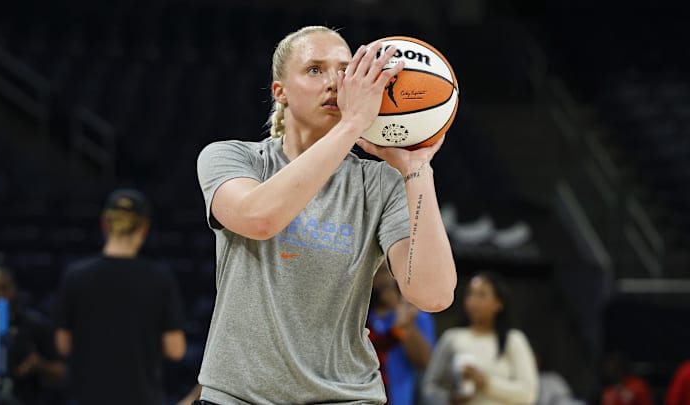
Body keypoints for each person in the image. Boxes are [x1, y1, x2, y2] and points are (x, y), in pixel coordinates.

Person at [195, 25, 457, 404]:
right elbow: (260, 220)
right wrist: (352, 125)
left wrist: (417, 168)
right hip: (235, 397)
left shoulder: (378, 183)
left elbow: (433, 295)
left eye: (344, 69)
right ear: (279, 92)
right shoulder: (233, 158)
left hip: (343, 396)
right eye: (315, 70)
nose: (335, 82)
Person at [55, 188, 186, 405]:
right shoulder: (159, 279)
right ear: (144, 227)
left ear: (105, 223)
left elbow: (63, 345)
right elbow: (176, 348)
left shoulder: (76, 276)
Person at [422, 272, 538, 405]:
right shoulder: (452, 338)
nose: (473, 302)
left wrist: (486, 382)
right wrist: (449, 399)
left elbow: (529, 394)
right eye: (470, 294)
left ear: (498, 303)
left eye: (482, 295)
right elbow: (429, 387)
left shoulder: (513, 340)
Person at [0, 266, 66, 405]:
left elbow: (63, 374)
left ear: (14, 289)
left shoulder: (35, 325)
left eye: (3, 289)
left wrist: (40, 365)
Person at [368, 264, 435, 404]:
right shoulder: (358, 315)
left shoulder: (417, 315)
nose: (382, 279)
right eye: (376, 272)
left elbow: (424, 362)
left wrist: (406, 324)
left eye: (386, 272)